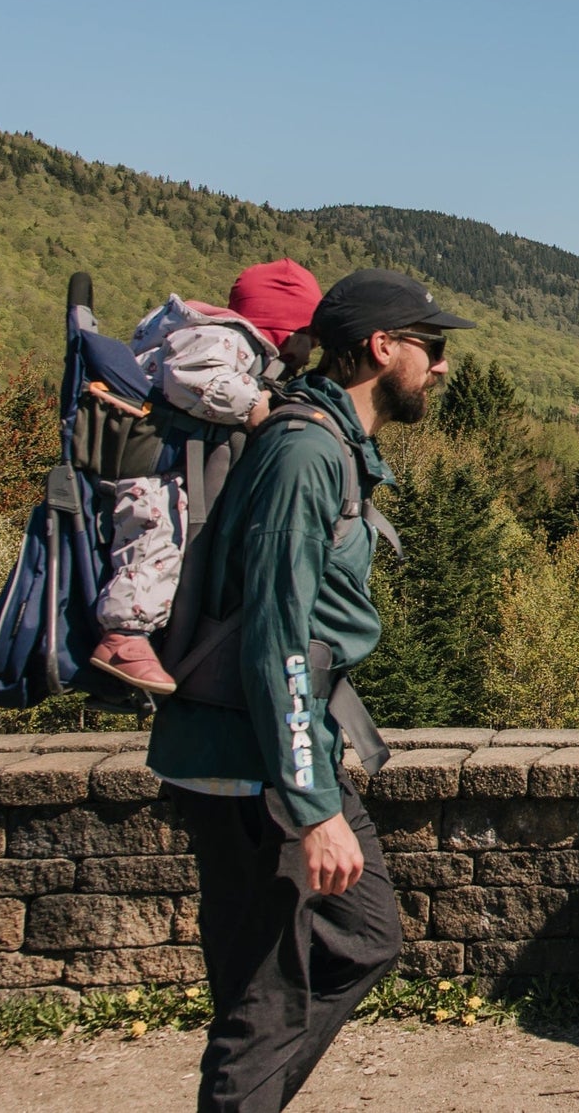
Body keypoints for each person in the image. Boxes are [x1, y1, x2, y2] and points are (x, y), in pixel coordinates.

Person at [147, 268, 473, 1112]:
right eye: (430, 348)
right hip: (253, 763)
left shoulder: (326, 443)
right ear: (382, 348)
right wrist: (312, 804)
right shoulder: (304, 453)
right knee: (266, 999)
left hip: (277, 753)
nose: (439, 367)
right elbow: (279, 636)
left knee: (362, 937)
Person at [90, 258, 324, 696]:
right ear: (286, 331)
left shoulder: (201, 334)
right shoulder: (225, 340)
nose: (309, 353)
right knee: (155, 540)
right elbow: (193, 378)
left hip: (156, 466)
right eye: (309, 339)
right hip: (155, 476)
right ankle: (124, 637)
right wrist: (256, 405)